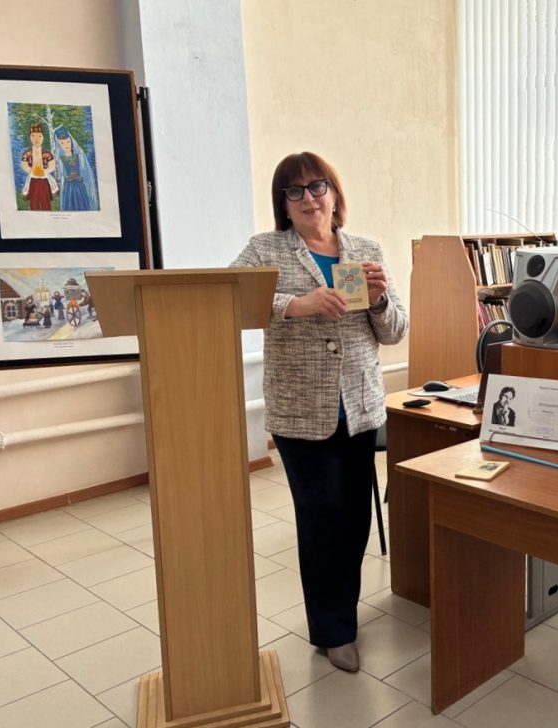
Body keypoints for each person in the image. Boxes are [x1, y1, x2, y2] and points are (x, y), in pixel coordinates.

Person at [230, 151, 407, 673]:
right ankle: (332, 631)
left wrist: (380, 301)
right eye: (295, 190)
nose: (309, 198)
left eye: (317, 186)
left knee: (354, 520)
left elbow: (395, 331)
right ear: (283, 204)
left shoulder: (366, 250)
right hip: (300, 410)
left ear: (333, 193)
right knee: (321, 518)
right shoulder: (265, 250)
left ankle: (343, 613)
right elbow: (230, 299)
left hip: (359, 407)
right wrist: (294, 304)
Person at [54, 129, 99, 211]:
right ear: (59, 145)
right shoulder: (61, 159)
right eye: (62, 143)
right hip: (68, 188)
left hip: (79, 186)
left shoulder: (79, 156)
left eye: (68, 142)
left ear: (71, 141)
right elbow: (61, 175)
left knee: (82, 204)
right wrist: (66, 178)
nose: (66, 145)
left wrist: (80, 178)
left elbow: (84, 171)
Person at [19, 123, 58, 210]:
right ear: (30, 138)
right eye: (33, 136)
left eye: (39, 136)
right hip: (33, 180)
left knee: (45, 200)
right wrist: (31, 171)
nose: (36, 139)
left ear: (43, 137)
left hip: (44, 180)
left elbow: (52, 165)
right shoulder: (27, 153)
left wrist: (45, 171)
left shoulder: (47, 153)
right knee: (34, 200)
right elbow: (24, 164)